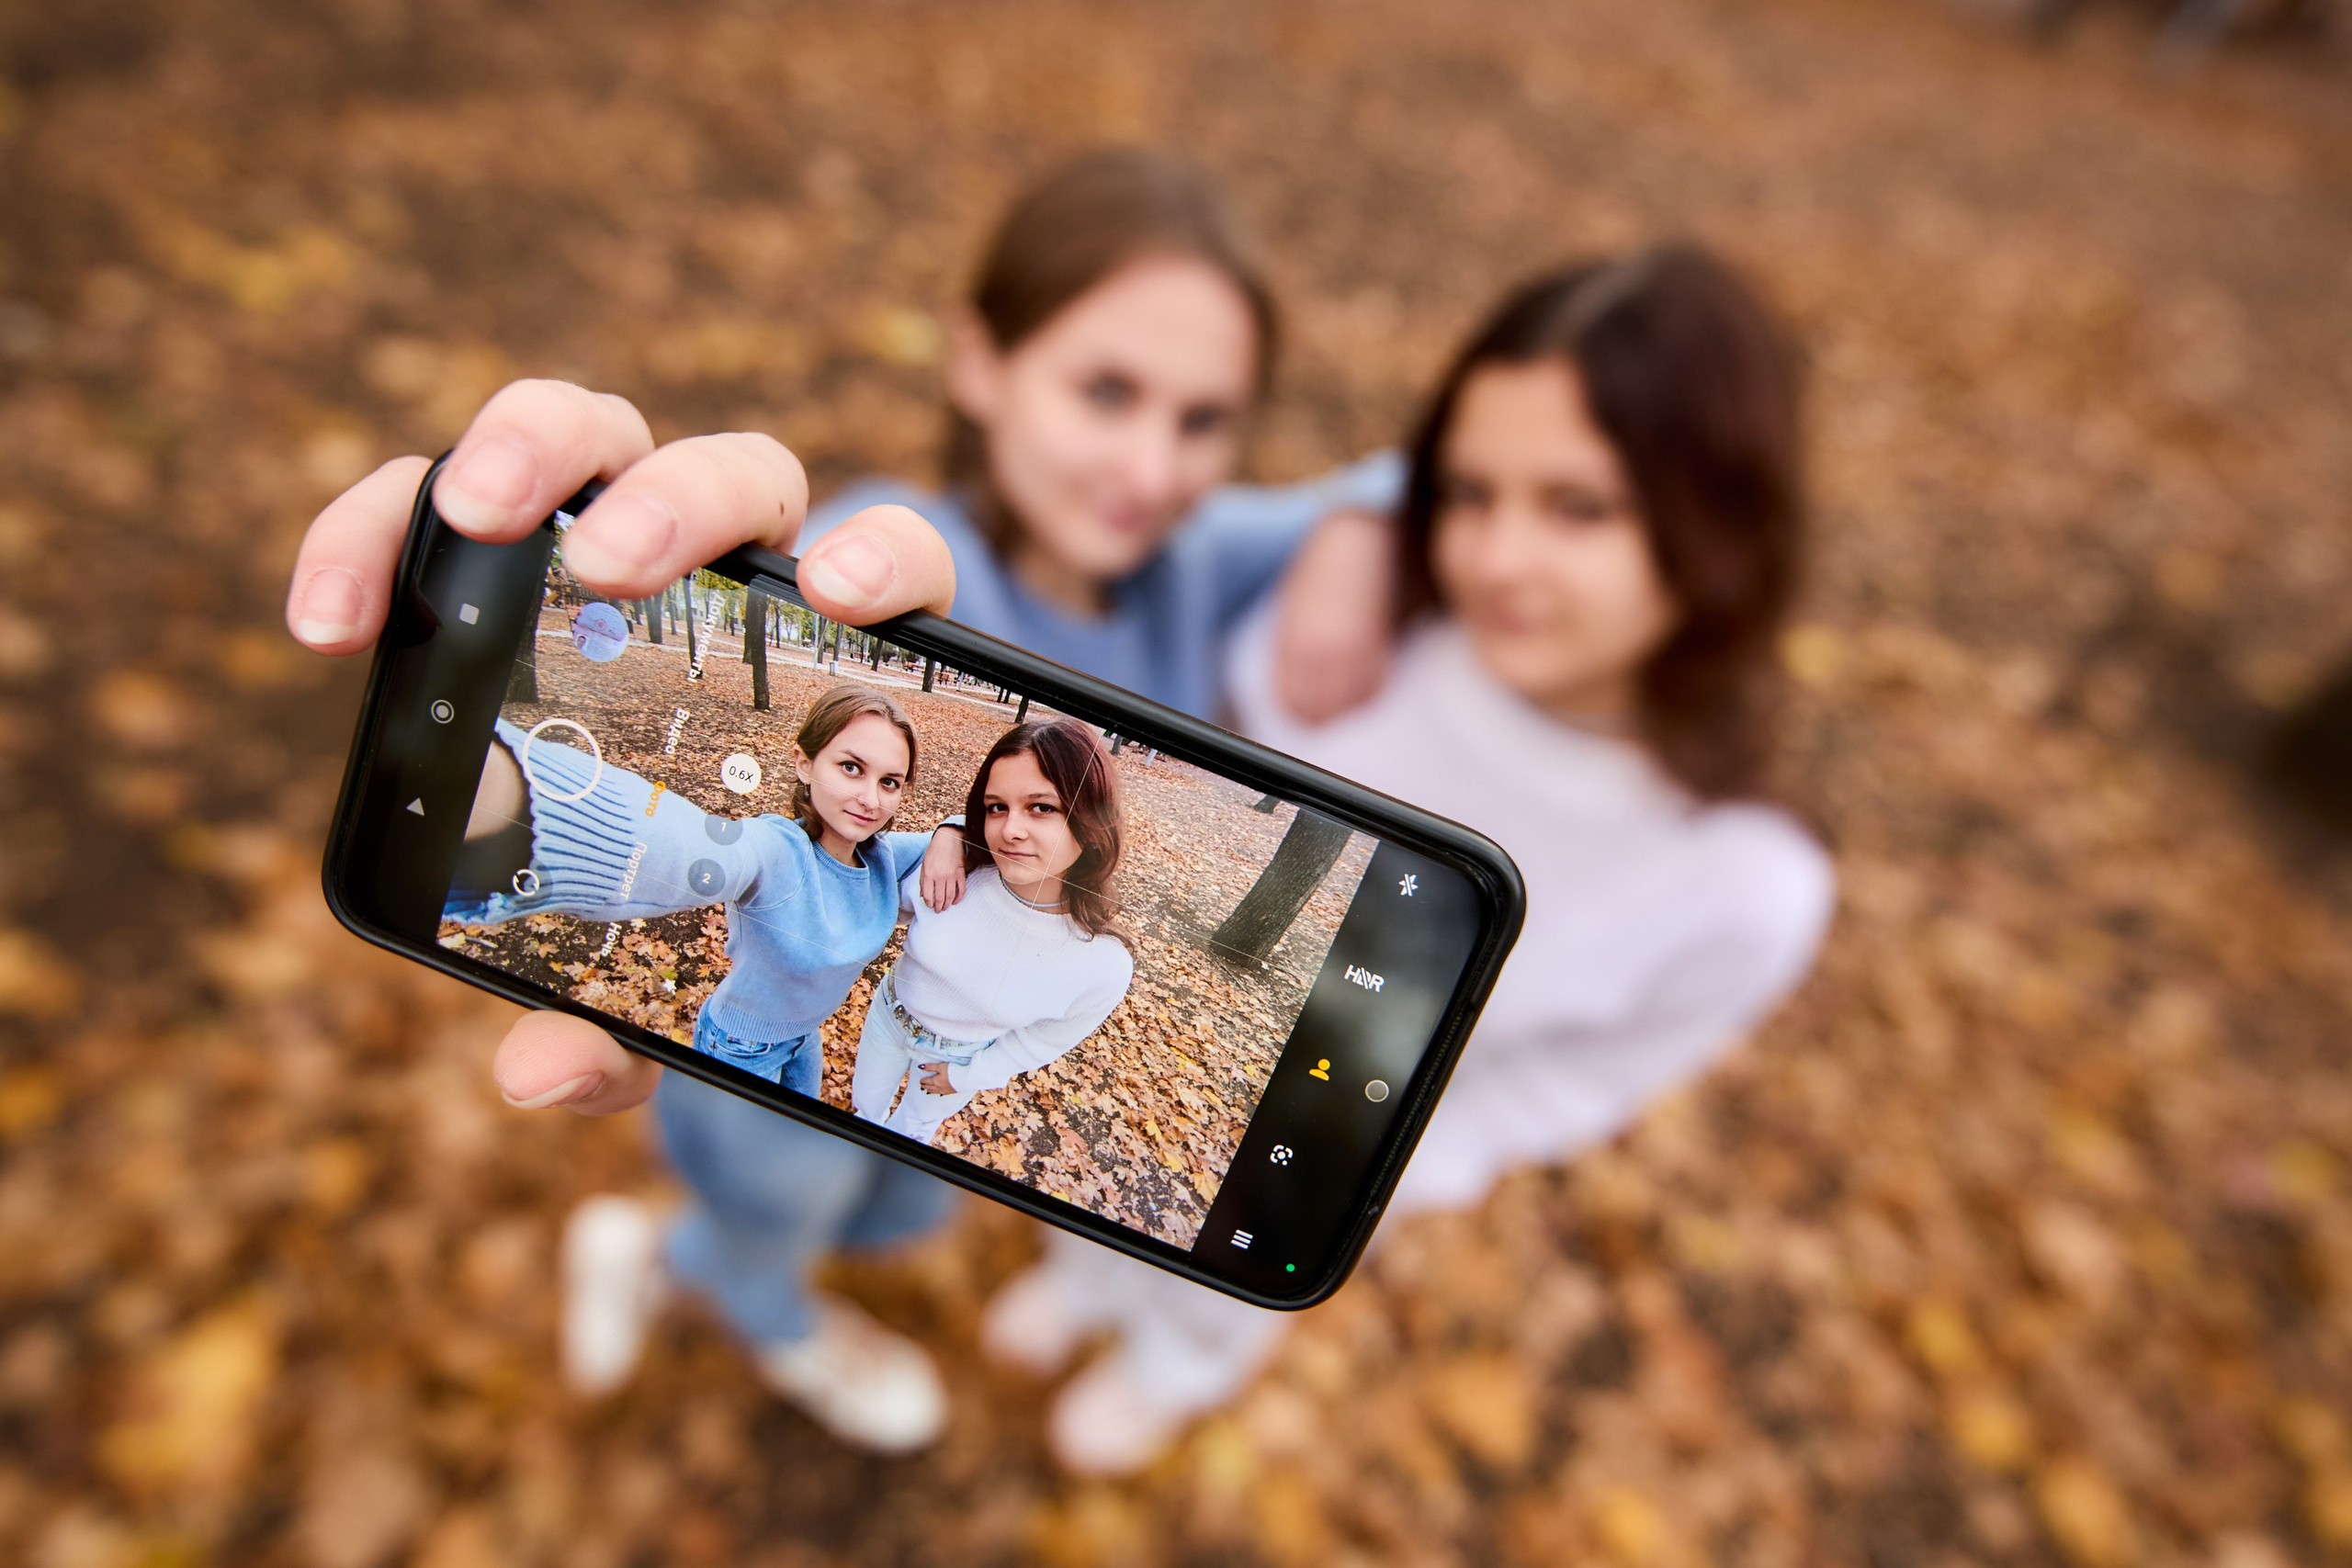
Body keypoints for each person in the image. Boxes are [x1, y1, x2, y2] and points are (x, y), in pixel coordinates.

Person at [281, 147, 1398, 1452]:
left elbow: (1404, 479)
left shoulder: (1192, 562)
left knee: (899, 1209)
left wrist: (1358, 539)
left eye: (1205, 419)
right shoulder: (900, 556)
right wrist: (502, 796)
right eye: (1107, 388)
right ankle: (770, 1320)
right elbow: (693, 845)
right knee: (779, 1218)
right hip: (751, 1083)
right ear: (980, 361)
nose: (1153, 462)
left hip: (872, 1071)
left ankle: (667, 1247)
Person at [978, 243, 1838, 1474]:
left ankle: (1166, 1368)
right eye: (1468, 494)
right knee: (1112, 1187)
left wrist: (1401, 1156)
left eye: (1578, 506)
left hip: (1327, 1170)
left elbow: (1585, 1078)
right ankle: (1085, 1284)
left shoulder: (1742, 884)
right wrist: (1358, 525)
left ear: (1725, 519)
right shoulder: (1348, 633)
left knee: (1219, 1296)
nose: (1493, 557)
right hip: (1166, 1039)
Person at [447, 686, 961, 1091]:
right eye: (851, 767)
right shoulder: (774, 850)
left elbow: (989, 836)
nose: (870, 798)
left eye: (890, 782)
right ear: (805, 764)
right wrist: (503, 792)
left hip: (802, 1037)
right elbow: (689, 846)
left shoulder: (883, 855)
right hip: (739, 1047)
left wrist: (950, 829)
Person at [854, 718, 1133, 1147]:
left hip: (954, 1060)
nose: (1009, 831)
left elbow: (1042, 1041)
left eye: (1041, 807)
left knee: (911, 1132)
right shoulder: (958, 871)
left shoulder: (1102, 964)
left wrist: (970, 1075)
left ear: (1092, 818)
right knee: (864, 1111)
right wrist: (947, 833)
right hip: (888, 1019)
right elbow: (856, 870)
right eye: (996, 807)